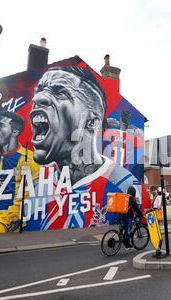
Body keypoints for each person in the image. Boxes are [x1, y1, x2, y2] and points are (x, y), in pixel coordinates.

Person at [29, 66, 143, 229]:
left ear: (92, 122)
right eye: (39, 89)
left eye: (60, 92)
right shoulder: (37, 186)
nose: (38, 97)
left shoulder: (123, 184)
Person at [0, 111, 39, 234]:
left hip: (8, 216)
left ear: (15, 132)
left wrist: (22, 215)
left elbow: (37, 194)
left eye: (1, 125)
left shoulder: (29, 159)